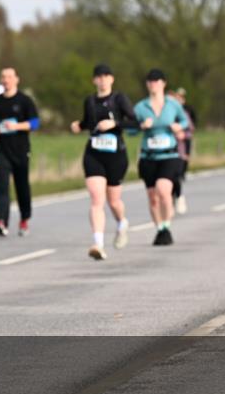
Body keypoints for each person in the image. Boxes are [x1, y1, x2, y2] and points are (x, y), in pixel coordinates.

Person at [70, 64, 137, 260]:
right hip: (94, 154)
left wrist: (115, 123)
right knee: (96, 199)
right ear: (94, 80)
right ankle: (98, 243)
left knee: (113, 201)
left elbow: (135, 122)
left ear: (112, 79)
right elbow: (87, 123)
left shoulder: (119, 99)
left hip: (116, 155)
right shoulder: (89, 100)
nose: (102, 80)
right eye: (98, 77)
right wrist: (78, 125)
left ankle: (122, 222)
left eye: (106, 76)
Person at [131, 69, 189, 246]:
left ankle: (167, 224)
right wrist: (141, 126)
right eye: (150, 81)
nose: (153, 84)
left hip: (169, 154)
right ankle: (161, 229)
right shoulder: (140, 107)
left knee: (163, 191)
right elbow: (130, 129)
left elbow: (185, 121)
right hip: (148, 156)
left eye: (156, 81)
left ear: (163, 83)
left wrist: (178, 126)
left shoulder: (172, 104)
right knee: (152, 196)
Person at [0, 67, 40, 237]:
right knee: (2, 186)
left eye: (9, 77)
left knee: (22, 186)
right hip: (2, 150)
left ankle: (24, 218)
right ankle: (1, 221)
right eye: (3, 77)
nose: (6, 80)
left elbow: (34, 124)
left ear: (16, 79)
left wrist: (16, 126)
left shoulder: (25, 100)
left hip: (20, 150)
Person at [168, 88, 194, 214]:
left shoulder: (182, 113)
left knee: (176, 176)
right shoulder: (159, 112)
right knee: (166, 179)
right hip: (162, 151)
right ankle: (170, 200)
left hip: (179, 150)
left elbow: (190, 129)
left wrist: (183, 134)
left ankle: (179, 197)